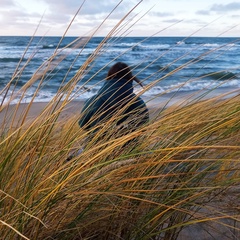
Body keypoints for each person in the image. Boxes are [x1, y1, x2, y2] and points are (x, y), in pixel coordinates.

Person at [66, 62, 149, 161]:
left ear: (108, 78)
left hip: (96, 152)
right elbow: (143, 126)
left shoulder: (93, 101)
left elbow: (82, 125)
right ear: (130, 79)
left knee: (71, 158)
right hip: (129, 152)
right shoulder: (138, 103)